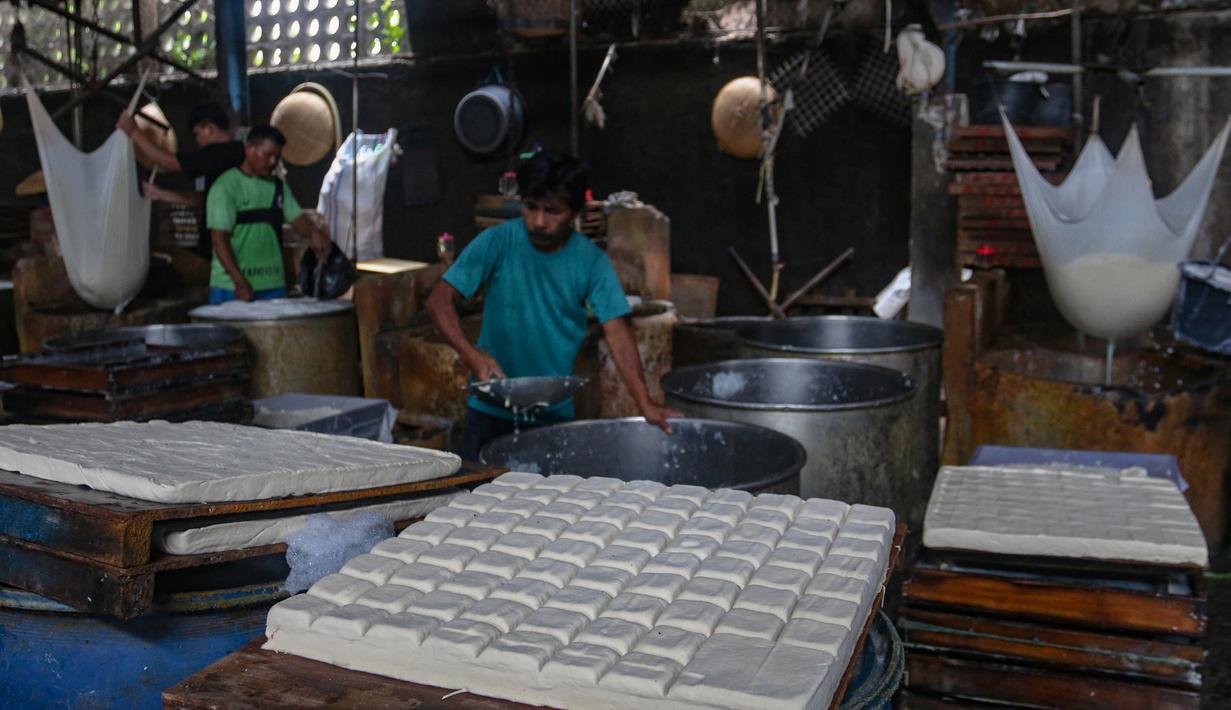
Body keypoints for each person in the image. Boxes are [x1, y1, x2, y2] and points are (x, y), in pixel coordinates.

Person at [426, 149, 681, 461]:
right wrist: (472, 356)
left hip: (551, 416)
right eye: (530, 207)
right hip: (488, 412)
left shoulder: (592, 262)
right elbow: (439, 301)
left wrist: (646, 403)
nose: (538, 221)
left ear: (574, 211)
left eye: (552, 211)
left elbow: (618, 333)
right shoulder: (498, 242)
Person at [206, 125, 330, 304]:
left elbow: (298, 220)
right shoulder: (225, 188)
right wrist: (238, 280)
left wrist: (314, 232)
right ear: (249, 149)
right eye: (267, 155)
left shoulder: (278, 187)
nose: (273, 162)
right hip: (231, 286)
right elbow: (219, 239)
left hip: (273, 286)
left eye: (277, 157)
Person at [117, 103, 245, 258]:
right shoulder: (235, 154)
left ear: (209, 129)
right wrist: (161, 194)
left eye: (197, 134)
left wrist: (134, 132)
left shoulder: (221, 153)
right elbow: (204, 198)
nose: (198, 141)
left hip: (229, 245)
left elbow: (170, 163)